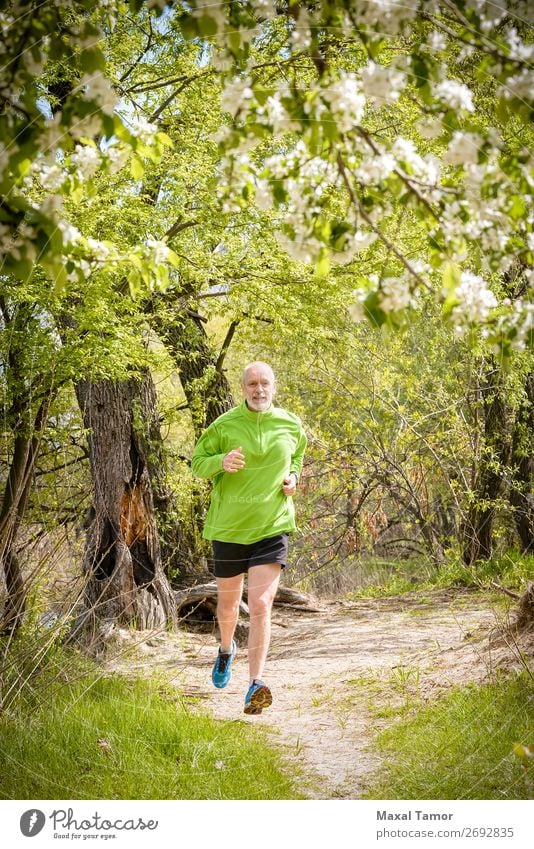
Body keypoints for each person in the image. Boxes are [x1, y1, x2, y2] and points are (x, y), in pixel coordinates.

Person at [191, 361, 307, 715]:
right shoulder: (224, 426)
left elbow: (298, 455)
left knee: (260, 605)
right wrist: (220, 462)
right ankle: (226, 649)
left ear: (275, 386)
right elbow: (197, 462)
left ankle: (256, 683)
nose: (259, 389)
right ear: (243, 388)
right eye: (252, 384)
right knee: (228, 607)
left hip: (271, 526)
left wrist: (293, 477)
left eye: (265, 383)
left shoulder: (290, 423)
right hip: (229, 527)